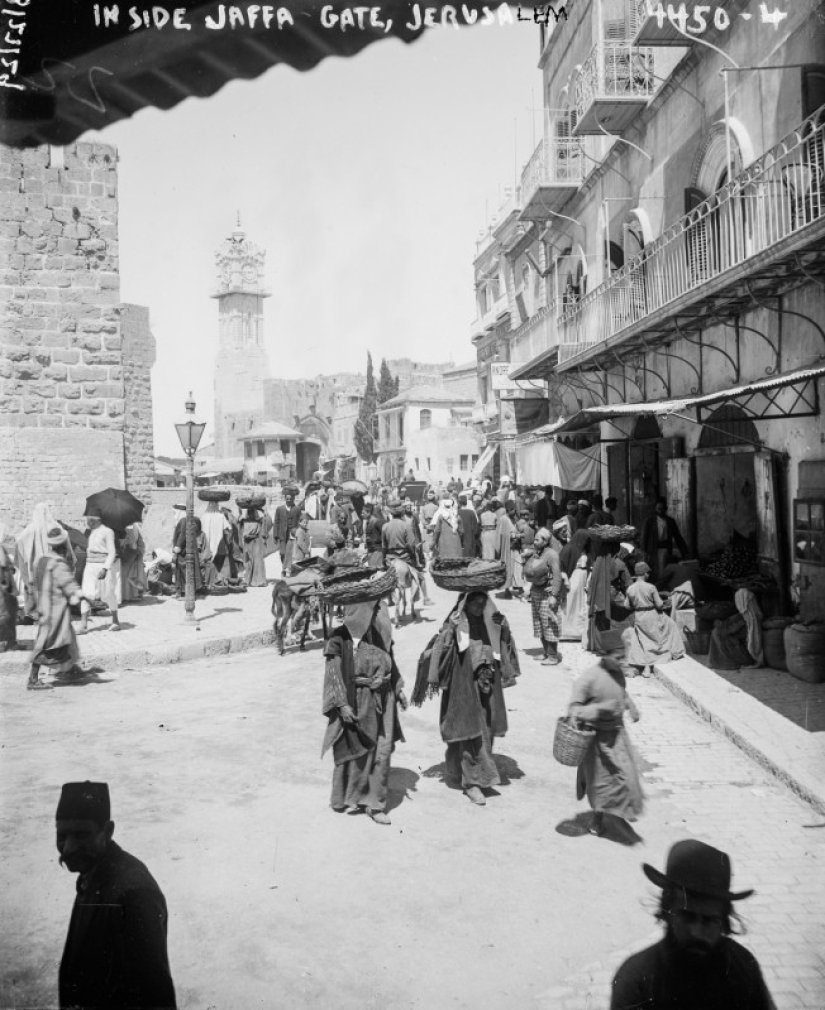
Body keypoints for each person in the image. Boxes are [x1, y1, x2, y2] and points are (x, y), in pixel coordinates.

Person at [610, 840, 776, 1010]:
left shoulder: (742, 965)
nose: (696, 932)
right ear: (667, 912)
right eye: (687, 917)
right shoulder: (635, 980)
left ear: (723, 922)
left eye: (710, 920)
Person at [56, 781, 177, 1009]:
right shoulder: (92, 872)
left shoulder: (133, 895)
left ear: (108, 831)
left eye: (81, 835)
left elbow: (154, 997)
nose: (68, 848)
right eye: (62, 836)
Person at [412, 590, 521, 805]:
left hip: (486, 687)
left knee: (486, 731)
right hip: (463, 688)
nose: (480, 608)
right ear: (465, 604)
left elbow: (503, 649)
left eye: (483, 603)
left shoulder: (490, 623)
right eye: (475, 604)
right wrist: (450, 631)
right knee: (469, 732)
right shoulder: (455, 623)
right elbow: (439, 654)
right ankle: (472, 783)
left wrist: (503, 628)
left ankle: (465, 772)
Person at [321, 598, 407, 825]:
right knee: (356, 749)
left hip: (384, 699)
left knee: (382, 750)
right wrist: (342, 704)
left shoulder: (379, 634)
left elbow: (391, 662)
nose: (378, 613)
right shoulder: (338, 637)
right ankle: (345, 796)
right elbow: (333, 674)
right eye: (374, 609)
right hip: (356, 699)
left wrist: (398, 689)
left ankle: (374, 803)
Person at [567, 629, 643, 837]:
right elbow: (574, 710)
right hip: (597, 741)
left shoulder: (617, 673)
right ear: (604, 655)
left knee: (626, 775)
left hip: (617, 735)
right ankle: (597, 818)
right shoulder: (589, 679)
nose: (621, 662)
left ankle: (623, 808)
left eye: (623, 657)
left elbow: (621, 692)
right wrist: (600, 709)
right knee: (600, 783)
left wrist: (631, 705)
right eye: (617, 658)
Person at [28, 527, 85, 690]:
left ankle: (69, 671)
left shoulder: (40, 560)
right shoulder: (58, 563)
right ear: (63, 545)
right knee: (48, 644)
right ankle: (33, 679)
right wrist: (80, 594)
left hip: (44, 607)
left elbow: (32, 583)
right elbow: (68, 584)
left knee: (64, 640)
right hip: (55, 611)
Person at [623, 562, 686, 675]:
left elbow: (626, 606)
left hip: (639, 616)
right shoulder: (651, 587)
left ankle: (645, 665)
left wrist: (637, 605)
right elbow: (660, 604)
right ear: (645, 573)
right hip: (651, 615)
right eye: (648, 573)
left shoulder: (630, 589)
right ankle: (676, 652)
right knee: (671, 624)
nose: (648, 575)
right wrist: (666, 602)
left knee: (643, 639)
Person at [15, 502, 74, 620]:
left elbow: (19, 540)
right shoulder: (55, 526)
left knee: (34, 588)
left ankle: (34, 613)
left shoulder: (31, 528)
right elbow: (65, 536)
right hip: (52, 563)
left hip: (36, 565)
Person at [586, 541, 632, 653]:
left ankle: (599, 646)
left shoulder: (598, 562)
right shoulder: (619, 563)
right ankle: (612, 646)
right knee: (615, 622)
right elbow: (628, 583)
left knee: (600, 621)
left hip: (598, 596)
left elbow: (592, 581)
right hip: (613, 596)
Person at [526, 527, 563, 664]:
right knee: (539, 623)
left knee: (549, 624)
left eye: (538, 539)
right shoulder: (537, 553)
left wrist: (554, 594)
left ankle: (553, 656)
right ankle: (546, 652)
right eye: (535, 539)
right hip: (536, 592)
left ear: (545, 541)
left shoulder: (552, 555)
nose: (535, 541)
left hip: (547, 594)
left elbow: (557, 575)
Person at [79, 510, 121, 633]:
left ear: (98, 520)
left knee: (108, 594)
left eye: (91, 520)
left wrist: (105, 568)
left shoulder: (107, 531)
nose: (89, 523)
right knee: (85, 594)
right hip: (90, 566)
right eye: (88, 520)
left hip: (102, 566)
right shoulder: (91, 533)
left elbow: (112, 552)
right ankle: (83, 624)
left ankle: (115, 621)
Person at [707, 588, 764, 670]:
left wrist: (718, 624)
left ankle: (725, 662)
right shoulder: (756, 614)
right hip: (749, 655)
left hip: (747, 657)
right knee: (719, 632)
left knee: (716, 632)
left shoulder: (745, 619)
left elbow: (726, 631)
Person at [641, 497, 689, 579]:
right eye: (658, 508)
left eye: (662, 508)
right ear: (655, 508)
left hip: (666, 550)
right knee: (654, 573)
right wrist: (645, 553)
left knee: (665, 572)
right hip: (653, 551)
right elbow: (644, 538)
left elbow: (678, 537)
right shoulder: (649, 521)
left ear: (665, 508)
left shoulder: (670, 521)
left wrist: (685, 553)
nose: (660, 510)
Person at [559, 528, 591, 641]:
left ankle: (578, 632)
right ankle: (566, 632)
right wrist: (565, 579)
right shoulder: (569, 548)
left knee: (581, 604)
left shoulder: (585, 550)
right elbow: (561, 565)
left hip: (583, 577)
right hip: (574, 576)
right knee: (570, 602)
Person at [273, 489, 301, 576]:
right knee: (282, 553)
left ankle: (287, 569)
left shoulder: (297, 509)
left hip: (292, 535)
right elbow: (276, 522)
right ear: (285, 499)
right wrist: (275, 535)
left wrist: (298, 532)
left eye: (290, 499)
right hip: (282, 535)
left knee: (291, 553)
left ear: (293, 499)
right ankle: (284, 567)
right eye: (287, 499)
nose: (289, 500)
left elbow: (299, 522)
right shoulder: (279, 509)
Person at [0, 523, 18, 653]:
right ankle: (3, 642)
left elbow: (10, 567)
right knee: (4, 614)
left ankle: (11, 642)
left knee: (10, 613)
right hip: (4, 587)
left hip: (7, 586)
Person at [240, 506, 268, 586]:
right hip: (247, 543)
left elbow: (263, 530)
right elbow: (241, 531)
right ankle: (248, 580)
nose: (250, 514)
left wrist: (263, 513)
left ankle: (259, 581)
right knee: (248, 562)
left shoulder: (259, 521)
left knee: (257, 561)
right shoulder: (244, 521)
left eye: (252, 512)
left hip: (256, 542)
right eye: (249, 512)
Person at [119, 523, 146, 604]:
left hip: (126, 556)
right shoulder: (135, 527)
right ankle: (132, 595)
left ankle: (125, 596)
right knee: (130, 576)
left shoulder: (124, 527)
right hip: (132, 555)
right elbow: (141, 544)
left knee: (125, 576)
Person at [431, 497, 464, 561]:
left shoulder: (441, 517)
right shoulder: (458, 517)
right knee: (456, 560)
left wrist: (435, 541)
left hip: (443, 541)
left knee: (445, 561)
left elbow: (437, 531)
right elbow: (461, 531)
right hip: (455, 541)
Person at [362, 502, 385, 568]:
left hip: (377, 551)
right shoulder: (368, 522)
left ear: (368, 512)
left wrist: (373, 540)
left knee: (376, 569)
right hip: (371, 551)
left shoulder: (377, 522)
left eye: (363, 513)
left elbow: (384, 536)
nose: (362, 514)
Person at [458, 494, 480, 559]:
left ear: (459, 503)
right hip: (470, 535)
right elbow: (475, 526)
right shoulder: (471, 512)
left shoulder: (457, 512)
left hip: (460, 536)